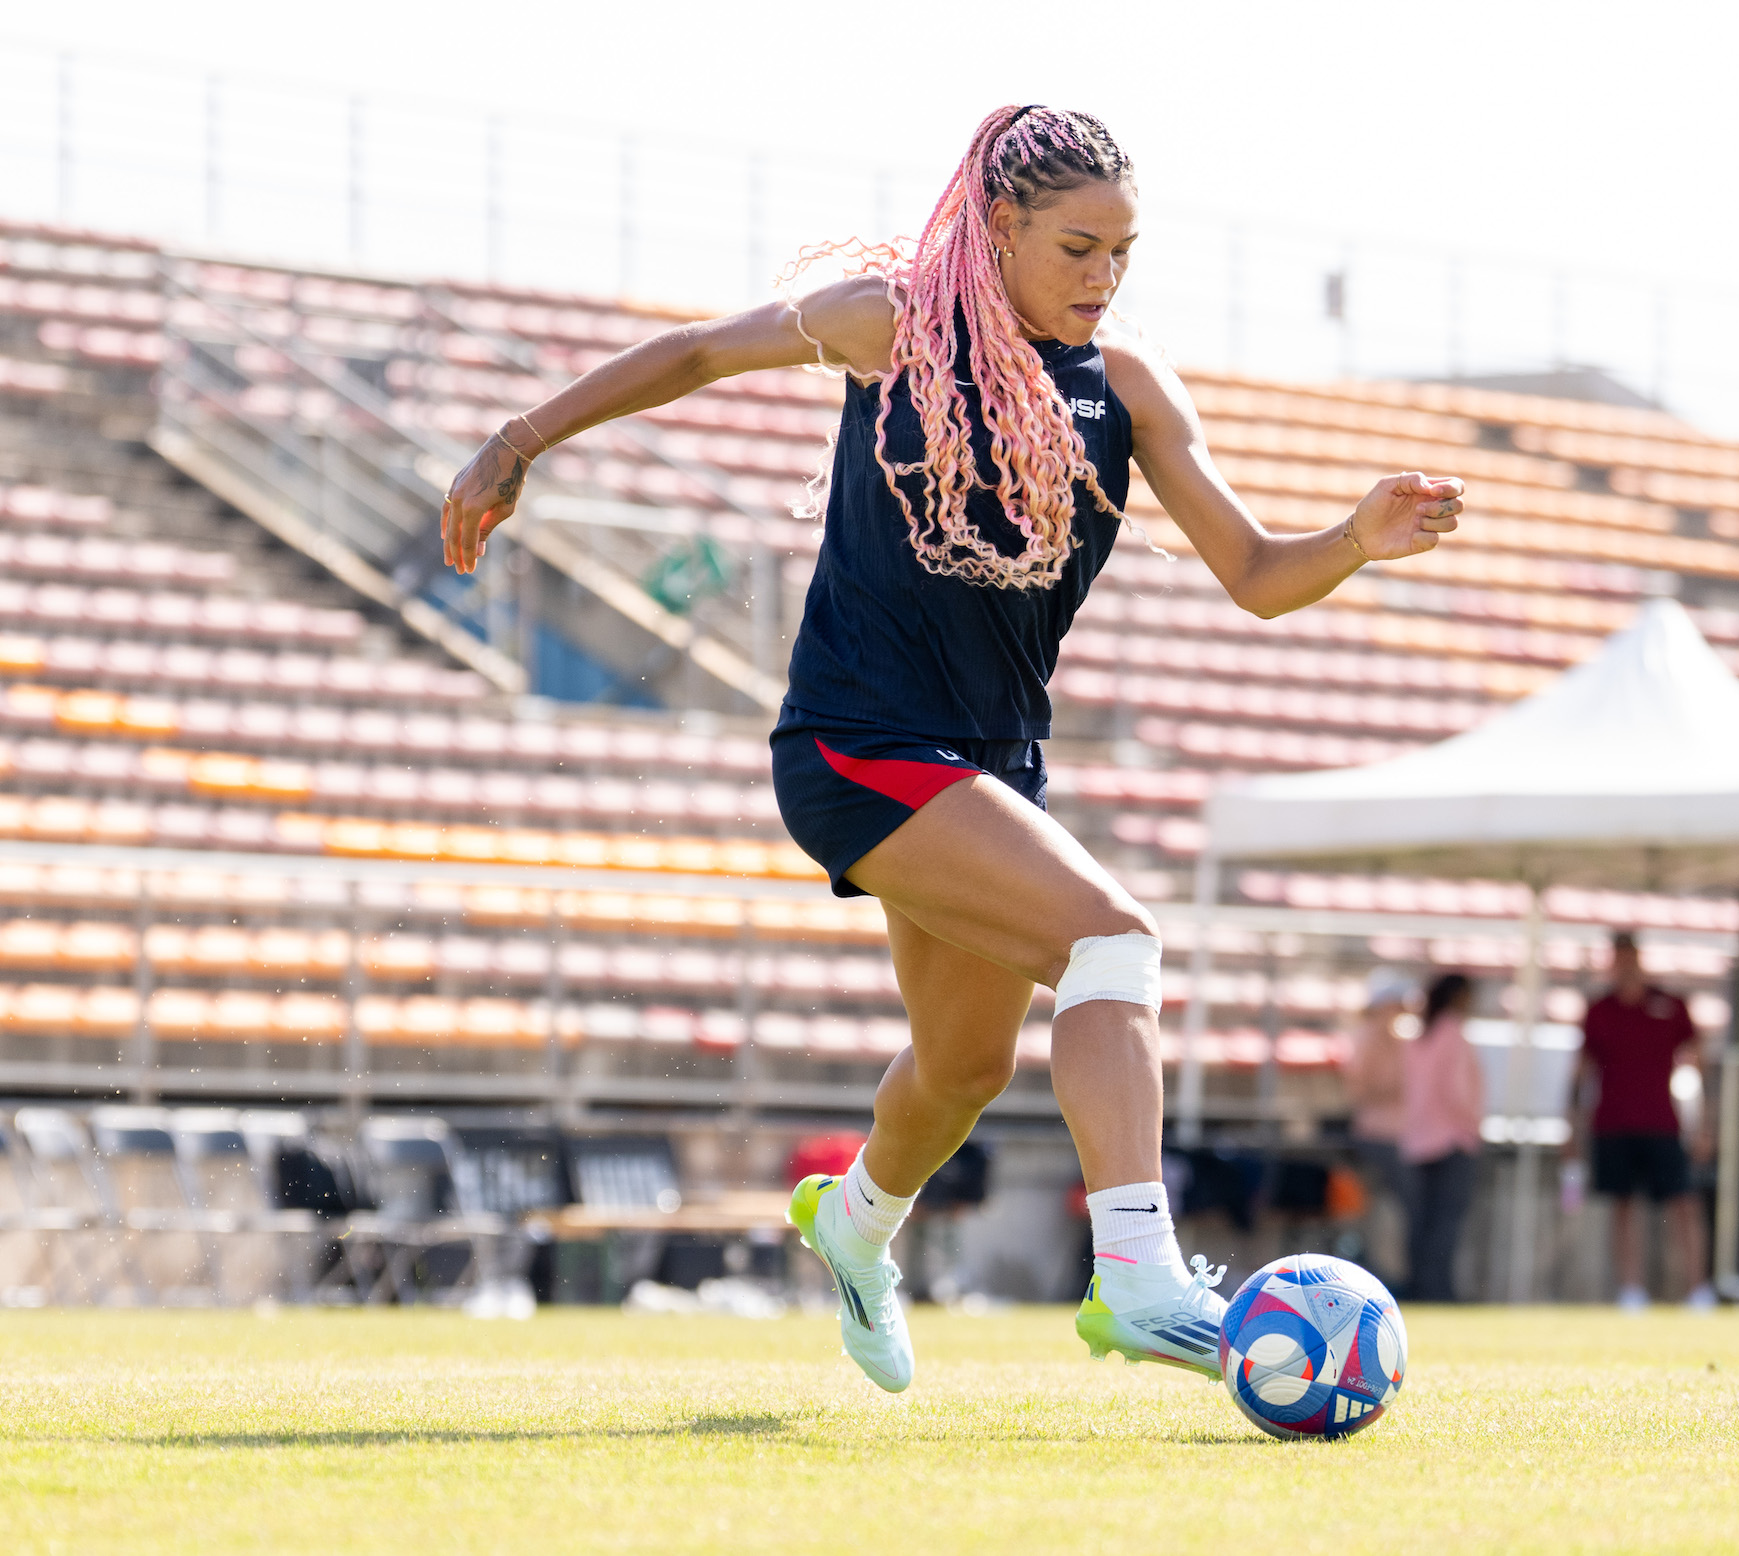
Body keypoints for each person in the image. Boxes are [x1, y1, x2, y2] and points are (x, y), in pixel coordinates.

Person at [440, 105, 1465, 1393]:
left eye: (1122, 255)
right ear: (999, 226)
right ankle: (1137, 1277)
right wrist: (516, 439)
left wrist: (1357, 536)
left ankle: (854, 1221)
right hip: (856, 740)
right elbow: (699, 354)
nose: (1102, 278)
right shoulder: (892, 320)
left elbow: (1256, 574)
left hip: (988, 766)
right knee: (1114, 936)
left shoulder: (1129, 386)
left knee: (966, 1064)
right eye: (1077, 247)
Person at [1567, 930, 1715, 1312]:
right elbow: (1581, 1073)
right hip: (1612, 1124)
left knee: (1683, 1204)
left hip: (1662, 1123)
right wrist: (1571, 1125)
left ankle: (1698, 1290)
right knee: (1623, 1205)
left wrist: (1705, 1123)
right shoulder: (1599, 1011)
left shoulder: (1669, 1005)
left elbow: (1699, 1064)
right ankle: (1631, 1291)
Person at [1399, 973, 1484, 1302]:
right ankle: (1438, 1292)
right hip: (1452, 1140)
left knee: (1421, 1223)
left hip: (1419, 1141)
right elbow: (1456, 1091)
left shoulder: (1421, 1035)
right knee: (1445, 1224)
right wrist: (1472, 1123)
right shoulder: (1452, 1033)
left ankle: (1421, 1287)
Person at [1347, 969, 1415, 1280]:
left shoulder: (1399, 1039)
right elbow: (1362, 1090)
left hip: (1401, 1138)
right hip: (1378, 1137)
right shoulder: (1368, 1039)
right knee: (1389, 1211)